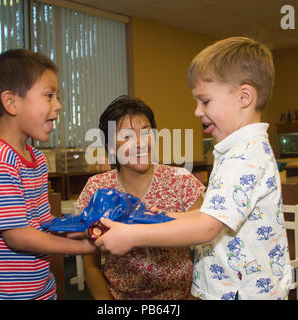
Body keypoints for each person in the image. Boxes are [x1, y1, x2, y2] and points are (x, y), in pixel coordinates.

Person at [95, 37, 292, 300]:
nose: (197, 111)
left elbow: (205, 227)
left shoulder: (245, 157)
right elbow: (210, 213)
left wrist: (133, 234)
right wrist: (164, 216)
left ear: (244, 97)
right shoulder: (236, 151)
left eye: (205, 101)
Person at [0, 49, 95, 300]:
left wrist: (80, 226)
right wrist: (82, 247)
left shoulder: (36, 159)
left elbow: (41, 223)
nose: (58, 105)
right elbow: (17, 235)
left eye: (57, 96)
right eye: (49, 95)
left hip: (39, 289)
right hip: (1, 295)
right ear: (11, 102)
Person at [75, 95, 205, 299]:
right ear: (110, 146)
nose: (140, 144)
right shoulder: (97, 188)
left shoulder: (181, 182)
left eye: (146, 133)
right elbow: (90, 264)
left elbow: (206, 251)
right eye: (126, 137)